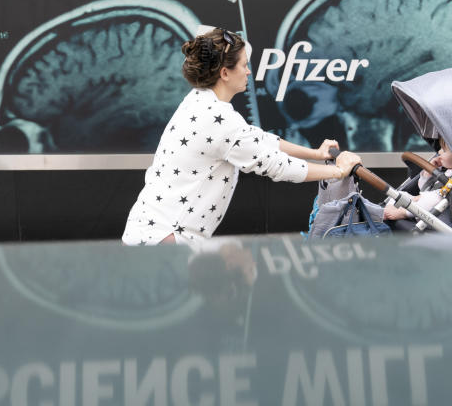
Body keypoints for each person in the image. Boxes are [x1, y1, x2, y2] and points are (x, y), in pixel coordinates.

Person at [122, 27, 361, 246]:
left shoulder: (203, 102)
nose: (248, 71)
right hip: (164, 240)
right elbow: (275, 165)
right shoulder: (217, 119)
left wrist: (316, 154)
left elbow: (258, 140)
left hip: (153, 233)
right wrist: (338, 172)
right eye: (244, 65)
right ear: (225, 73)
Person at [382, 138, 452, 222]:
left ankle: (403, 213)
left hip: (437, 213)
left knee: (434, 198)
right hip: (422, 202)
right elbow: (423, 188)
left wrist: (420, 198)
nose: (439, 152)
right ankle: (386, 210)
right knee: (399, 194)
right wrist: (428, 172)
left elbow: (441, 195)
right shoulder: (448, 170)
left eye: (444, 150)